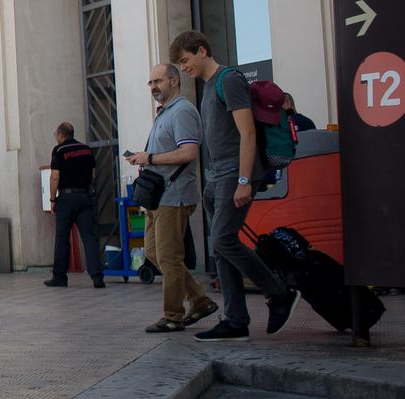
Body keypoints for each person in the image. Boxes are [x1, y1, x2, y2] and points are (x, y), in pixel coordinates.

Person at [170, 31, 300, 340]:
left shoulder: (229, 80)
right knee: (220, 248)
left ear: (202, 51)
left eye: (185, 61)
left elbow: (248, 133)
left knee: (222, 240)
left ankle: (279, 293)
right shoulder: (208, 87)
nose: (184, 68)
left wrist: (244, 180)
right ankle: (236, 320)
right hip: (216, 177)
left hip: (233, 175)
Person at [127, 64, 217, 332]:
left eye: (158, 81)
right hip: (158, 196)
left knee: (168, 256)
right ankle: (199, 300)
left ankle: (173, 316)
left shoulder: (183, 111)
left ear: (175, 81)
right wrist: (143, 158)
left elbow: (189, 152)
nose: (153, 86)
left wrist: (150, 158)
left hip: (174, 195)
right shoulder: (165, 113)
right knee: (154, 252)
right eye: (150, 82)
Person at [44, 122, 103, 288]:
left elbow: (55, 177)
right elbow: (93, 175)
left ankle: (60, 277)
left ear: (61, 135)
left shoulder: (59, 151)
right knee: (89, 237)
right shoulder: (86, 149)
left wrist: (52, 199)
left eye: (56, 135)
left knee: (62, 238)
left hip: (66, 198)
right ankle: (97, 277)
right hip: (85, 197)